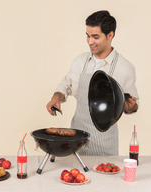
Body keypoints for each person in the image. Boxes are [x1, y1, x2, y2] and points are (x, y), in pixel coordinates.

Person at [46, 10, 139, 156]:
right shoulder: (80, 61)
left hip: (105, 145)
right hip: (75, 140)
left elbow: (130, 107)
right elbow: (66, 85)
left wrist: (130, 106)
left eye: (95, 37)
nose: (90, 42)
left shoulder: (125, 68)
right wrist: (56, 98)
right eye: (88, 36)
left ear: (110, 35)